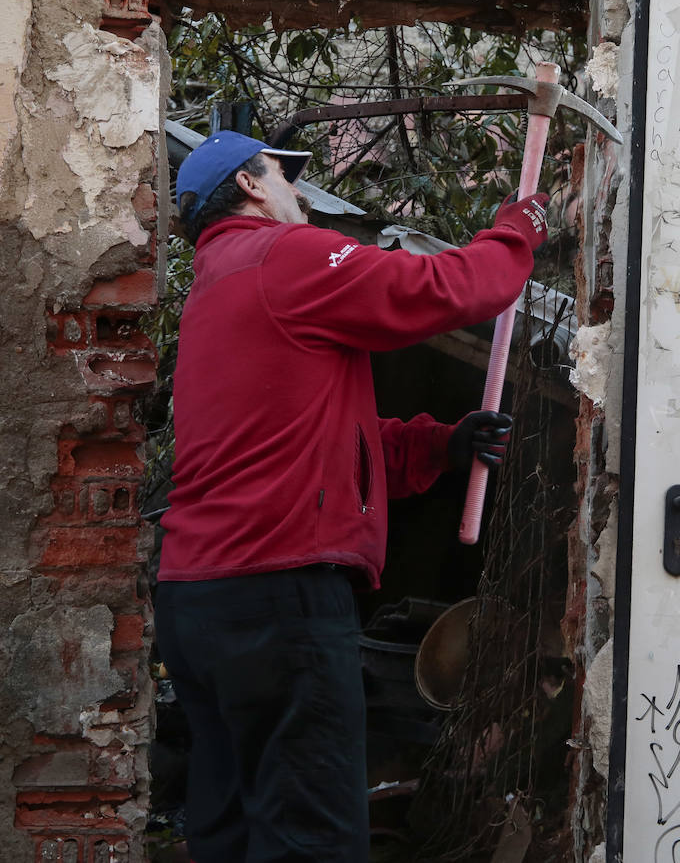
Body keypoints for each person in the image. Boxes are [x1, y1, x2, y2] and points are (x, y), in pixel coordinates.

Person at [153, 129, 548, 863]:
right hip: (277, 597)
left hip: (198, 601)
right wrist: (514, 233)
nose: (298, 193)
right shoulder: (281, 255)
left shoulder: (216, 289)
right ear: (249, 186)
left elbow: (320, 449)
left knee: (232, 831)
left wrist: (441, 445)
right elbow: (445, 288)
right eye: (284, 176)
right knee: (312, 839)